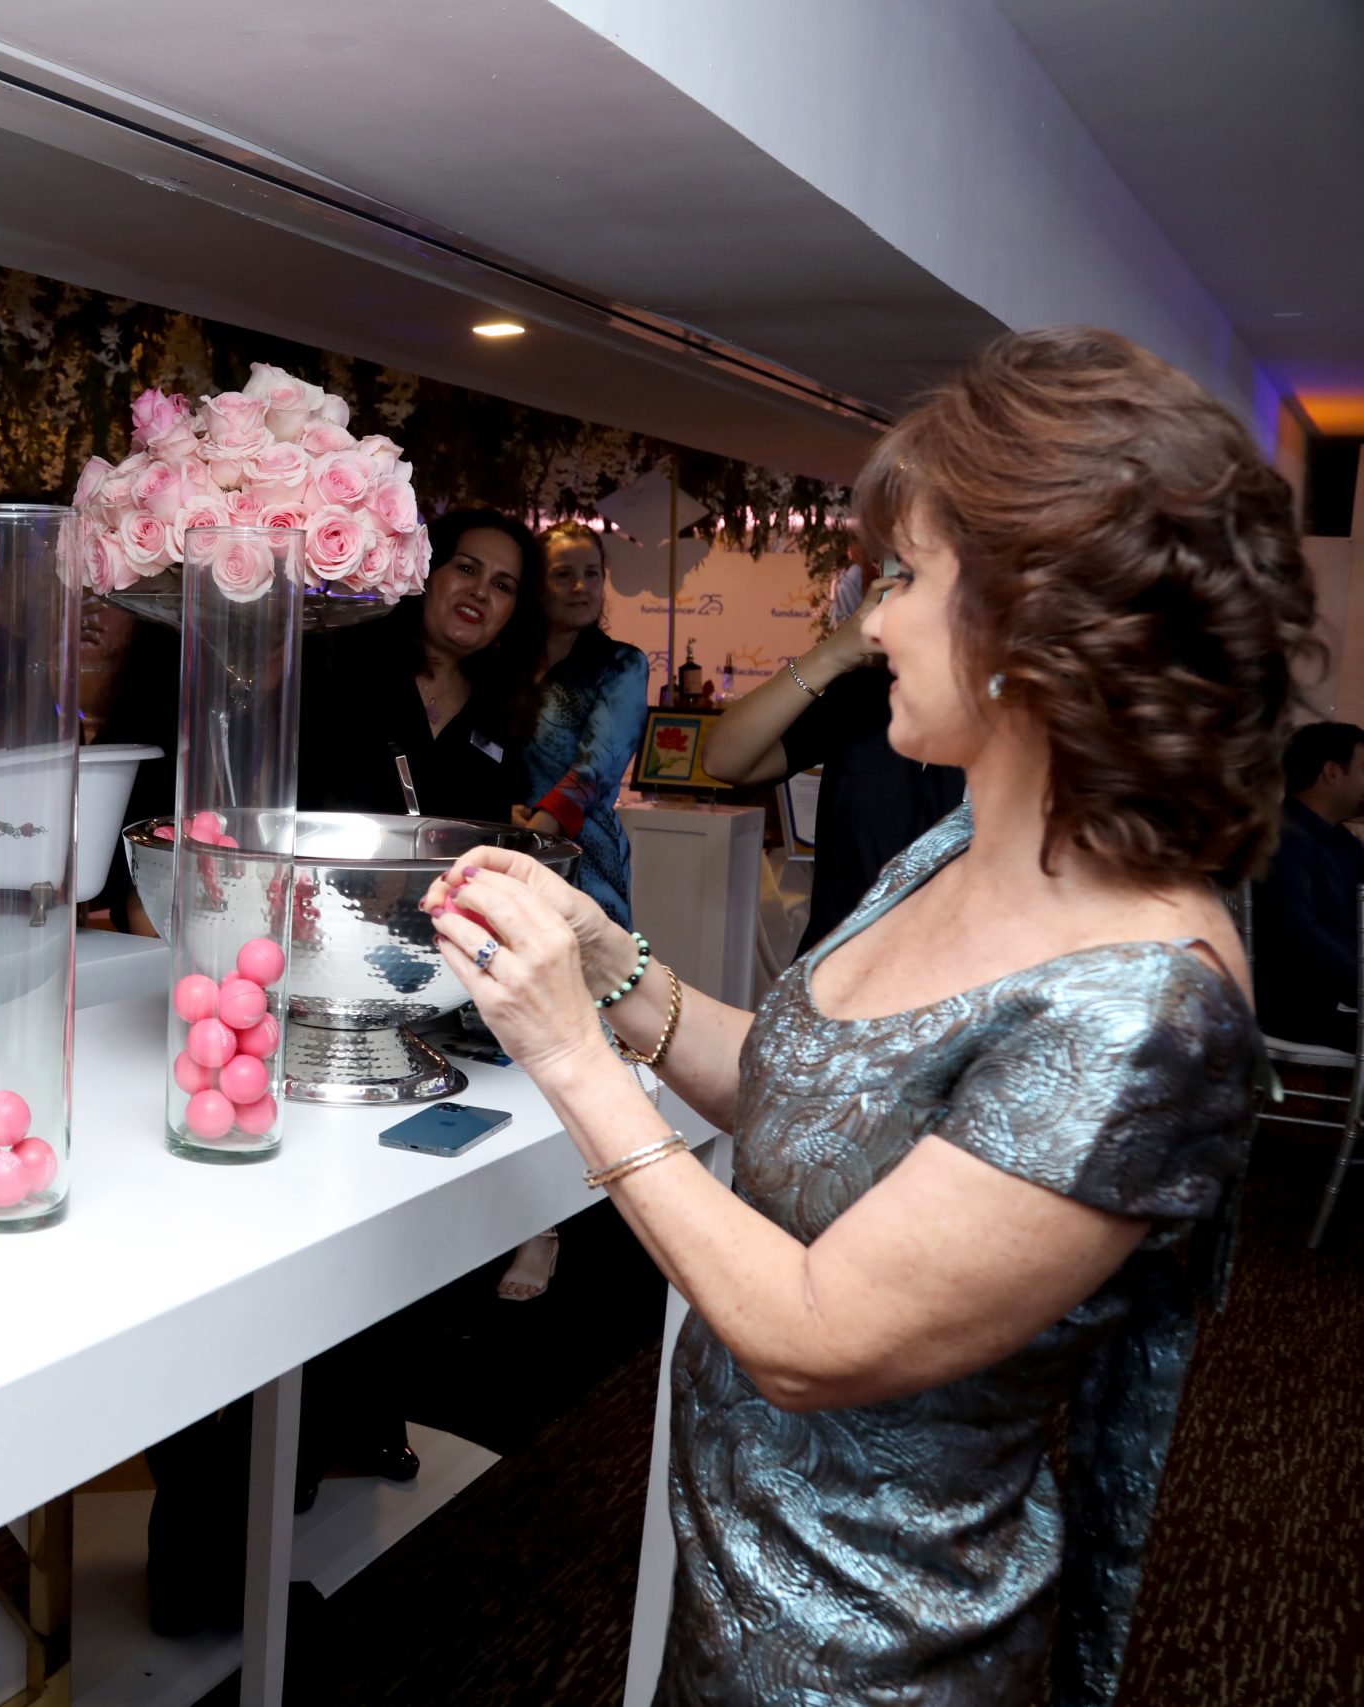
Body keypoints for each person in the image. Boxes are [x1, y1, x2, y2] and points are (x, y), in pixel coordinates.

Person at [424, 327, 1307, 1704]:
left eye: (906, 578)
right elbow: (802, 1089)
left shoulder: (1143, 1006)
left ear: (1035, 623)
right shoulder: (955, 846)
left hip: (871, 1650)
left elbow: (812, 1334)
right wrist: (608, 967)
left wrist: (566, 1052)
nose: (873, 622)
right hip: (738, 1580)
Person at [704, 549, 967, 952]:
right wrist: (832, 654)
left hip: (955, 973)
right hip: (833, 965)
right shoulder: (867, 692)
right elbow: (723, 759)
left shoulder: (1027, 716)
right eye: (904, 573)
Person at [297, 507, 543, 820]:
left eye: (502, 585)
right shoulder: (339, 660)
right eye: (467, 569)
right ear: (426, 570)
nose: (480, 592)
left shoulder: (505, 708)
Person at [520, 524, 649, 925]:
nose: (581, 586)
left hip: (585, 855)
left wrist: (537, 834)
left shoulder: (622, 664)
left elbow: (597, 768)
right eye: (563, 574)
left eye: (592, 573)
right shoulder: (504, 665)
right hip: (503, 839)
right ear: (536, 585)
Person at [1252, 721, 1364, 1046]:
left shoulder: (1341, 841)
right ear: (1332, 772)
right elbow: (1300, 932)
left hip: (1337, 994)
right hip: (1299, 1007)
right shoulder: (1283, 837)